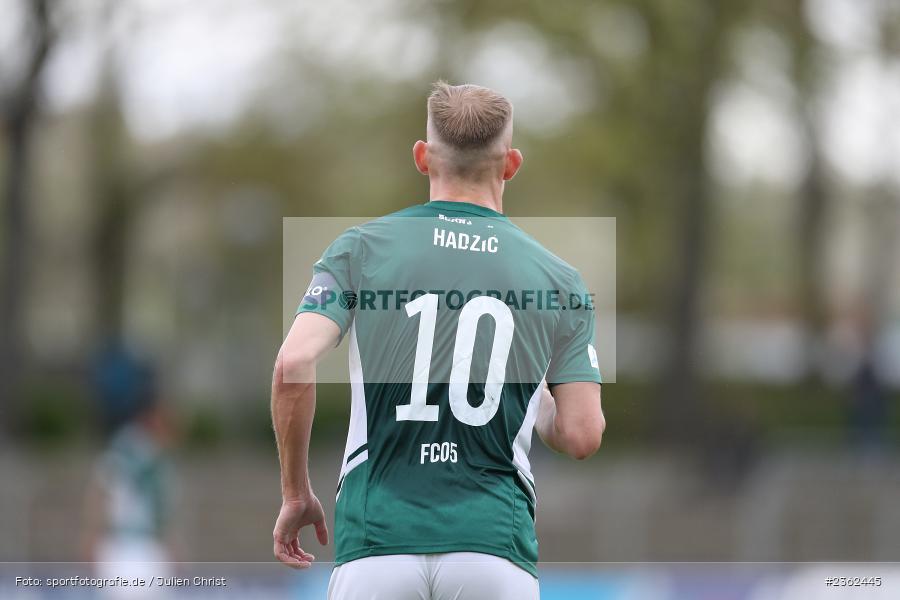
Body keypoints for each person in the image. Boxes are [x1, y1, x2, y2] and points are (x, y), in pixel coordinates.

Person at [271, 81, 605, 600]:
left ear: (423, 157)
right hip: (494, 549)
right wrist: (536, 401)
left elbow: (293, 361)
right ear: (511, 164)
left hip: (377, 544)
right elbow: (583, 436)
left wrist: (296, 493)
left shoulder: (360, 249)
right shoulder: (559, 279)